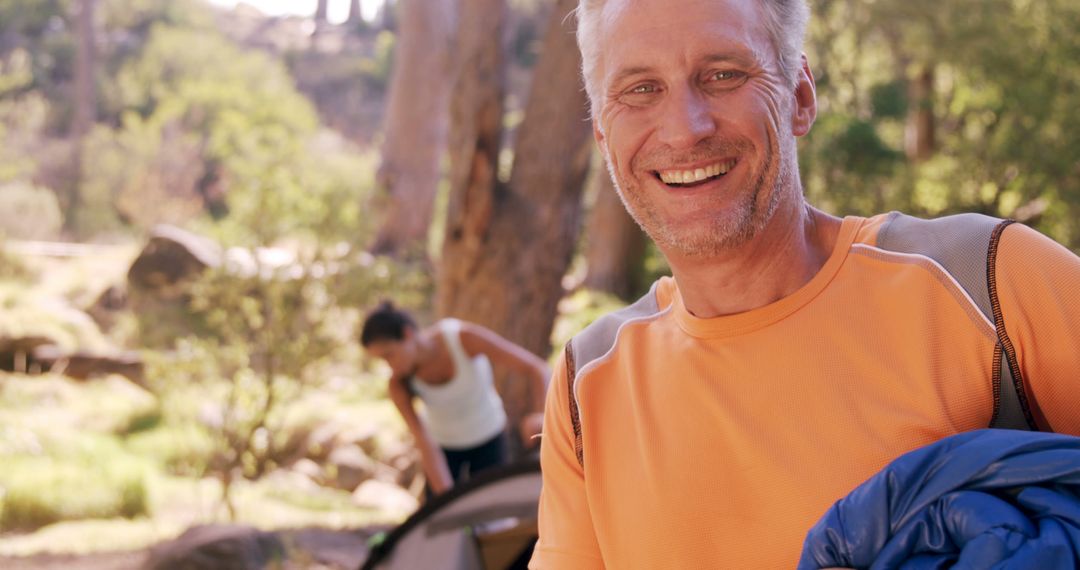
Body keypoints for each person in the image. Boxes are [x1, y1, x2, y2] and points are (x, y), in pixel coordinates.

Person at [530, 0, 1080, 568]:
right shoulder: (586, 382)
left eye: (723, 75)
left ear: (799, 95)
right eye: (641, 90)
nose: (685, 128)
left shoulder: (985, 278)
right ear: (602, 133)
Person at [361, 302, 549, 496]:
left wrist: (540, 415)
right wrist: (446, 499)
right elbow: (425, 444)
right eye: (382, 360)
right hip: (444, 449)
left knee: (493, 516)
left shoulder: (462, 338)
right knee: (444, 519)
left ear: (408, 334)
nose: (389, 365)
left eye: (389, 355)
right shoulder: (399, 384)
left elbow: (537, 369)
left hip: (489, 439)